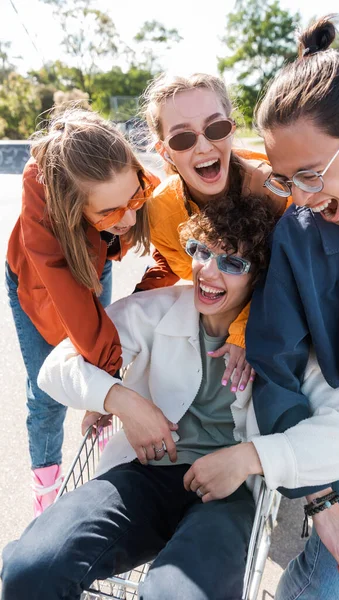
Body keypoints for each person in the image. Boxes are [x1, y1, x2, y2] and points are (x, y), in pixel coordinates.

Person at [1, 194, 339, 600]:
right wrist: (122, 401)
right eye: (201, 251)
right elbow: (57, 366)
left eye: (233, 263)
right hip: (145, 473)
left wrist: (248, 457)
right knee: (30, 568)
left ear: (260, 276)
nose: (208, 271)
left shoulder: (289, 346)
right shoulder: (157, 309)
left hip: (230, 496)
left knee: (176, 595)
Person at [247, 14, 339, 598]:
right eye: (287, 180)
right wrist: (323, 500)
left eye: (312, 174)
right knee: (336, 577)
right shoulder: (299, 232)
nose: (303, 199)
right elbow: (274, 364)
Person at [5, 107, 159, 516]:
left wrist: (101, 389)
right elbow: (74, 309)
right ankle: (46, 495)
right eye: (109, 213)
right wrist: (109, 388)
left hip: (91, 256)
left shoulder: (116, 181)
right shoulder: (44, 204)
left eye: (135, 198)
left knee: (94, 354)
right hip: (36, 277)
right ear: (71, 208)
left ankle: (102, 457)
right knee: (46, 392)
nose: (128, 218)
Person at [136, 72, 287, 391]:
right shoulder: (161, 212)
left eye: (215, 128)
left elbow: (286, 277)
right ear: (164, 151)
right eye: (182, 138)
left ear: (232, 129)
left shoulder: (276, 193)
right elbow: (190, 275)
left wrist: (244, 331)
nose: (203, 146)